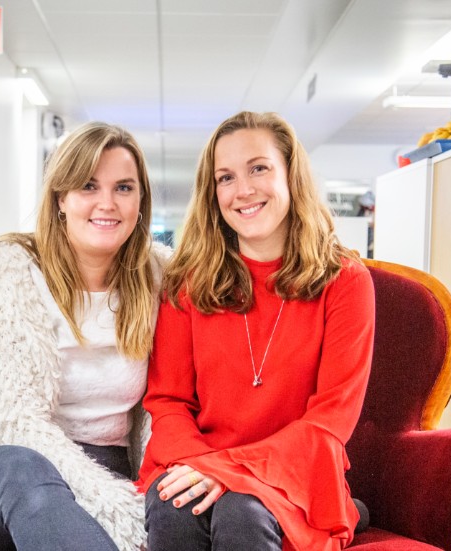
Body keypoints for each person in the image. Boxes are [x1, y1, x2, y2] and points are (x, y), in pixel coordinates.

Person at [0, 122, 168, 551]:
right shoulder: (7, 271)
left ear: (141, 201)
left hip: (109, 465)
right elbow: (13, 421)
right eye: (88, 185)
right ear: (61, 198)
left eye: (124, 187)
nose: (107, 203)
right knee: (29, 475)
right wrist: (118, 507)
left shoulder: (158, 278)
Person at [137, 111, 375, 551]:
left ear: (291, 175)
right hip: (195, 460)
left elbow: (330, 420)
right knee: (174, 505)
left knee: (241, 510)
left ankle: (341, 510)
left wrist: (227, 470)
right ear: (213, 194)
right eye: (225, 178)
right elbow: (167, 401)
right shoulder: (186, 284)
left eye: (259, 168)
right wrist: (205, 465)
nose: (243, 190)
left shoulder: (345, 281)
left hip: (296, 472)